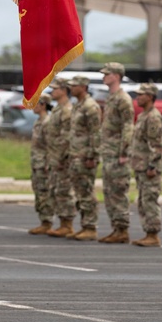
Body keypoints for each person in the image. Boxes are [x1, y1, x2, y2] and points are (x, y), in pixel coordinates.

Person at [97, 63, 134, 244]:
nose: (104, 76)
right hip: (108, 152)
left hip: (117, 154)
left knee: (118, 191)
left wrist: (124, 151)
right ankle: (115, 228)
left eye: (107, 74)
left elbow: (128, 126)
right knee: (109, 191)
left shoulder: (123, 99)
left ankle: (122, 229)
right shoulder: (111, 97)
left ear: (117, 76)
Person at [130, 83, 162, 247]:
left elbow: (156, 144)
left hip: (149, 167)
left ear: (150, 96)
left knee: (149, 200)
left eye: (141, 94)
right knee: (143, 200)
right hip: (141, 165)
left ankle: (153, 234)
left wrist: (152, 166)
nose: (138, 97)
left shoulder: (153, 117)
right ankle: (148, 232)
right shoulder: (144, 115)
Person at [67, 75, 101, 240]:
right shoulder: (78, 105)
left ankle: (90, 226)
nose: (71, 88)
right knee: (80, 192)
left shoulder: (90, 106)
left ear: (83, 87)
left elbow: (95, 133)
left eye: (74, 86)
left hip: (85, 156)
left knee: (87, 191)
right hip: (75, 155)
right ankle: (84, 225)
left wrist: (92, 155)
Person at [45, 78, 76, 238]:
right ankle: (63, 222)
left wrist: (63, 158)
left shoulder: (66, 110)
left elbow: (67, 137)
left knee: (64, 190)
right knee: (57, 190)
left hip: (62, 158)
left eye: (55, 89)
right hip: (55, 156)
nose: (52, 91)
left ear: (64, 90)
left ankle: (67, 224)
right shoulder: (58, 108)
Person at [27, 93, 53, 235]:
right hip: (37, 163)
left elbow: (50, 145)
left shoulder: (47, 122)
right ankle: (44, 220)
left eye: (36, 103)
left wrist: (48, 164)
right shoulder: (39, 122)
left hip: (44, 164)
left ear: (43, 105)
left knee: (44, 193)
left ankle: (47, 221)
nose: (33, 107)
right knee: (39, 192)